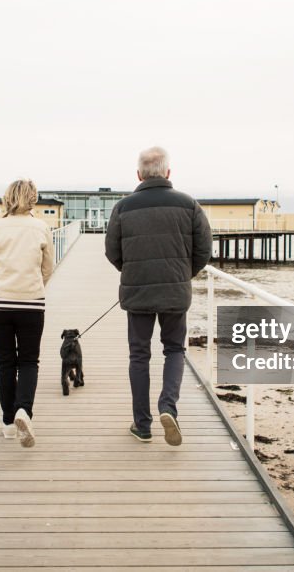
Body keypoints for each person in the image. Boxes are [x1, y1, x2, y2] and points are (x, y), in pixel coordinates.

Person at [105, 146, 212, 445]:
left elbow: (112, 251)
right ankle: (168, 406)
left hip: (137, 291)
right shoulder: (189, 204)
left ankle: (142, 425)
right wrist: (182, 274)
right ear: (168, 172)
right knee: (174, 350)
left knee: (139, 355)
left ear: (139, 174)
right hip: (175, 291)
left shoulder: (123, 208)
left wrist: (132, 271)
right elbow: (204, 250)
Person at [0, 179, 55, 448]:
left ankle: (8, 422)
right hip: (31, 303)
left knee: (5, 362)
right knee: (28, 361)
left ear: (7, 197)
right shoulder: (41, 227)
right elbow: (48, 267)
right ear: (33, 199)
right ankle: (24, 409)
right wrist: (33, 286)